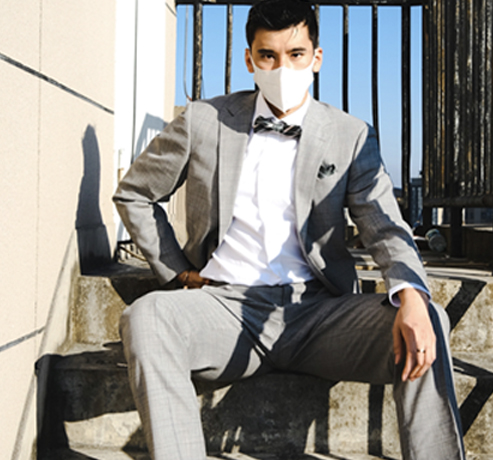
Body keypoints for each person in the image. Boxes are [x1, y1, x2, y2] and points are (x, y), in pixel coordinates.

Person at [113, 1, 465, 459]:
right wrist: (178, 271)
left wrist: (412, 295)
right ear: (250, 59)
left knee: (426, 320)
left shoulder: (350, 134)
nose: (283, 68)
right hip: (226, 309)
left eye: (296, 54)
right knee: (147, 317)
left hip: (318, 315)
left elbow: (384, 225)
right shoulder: (204, 121)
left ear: (316, 58)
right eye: (268, 56)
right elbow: (135, 194)